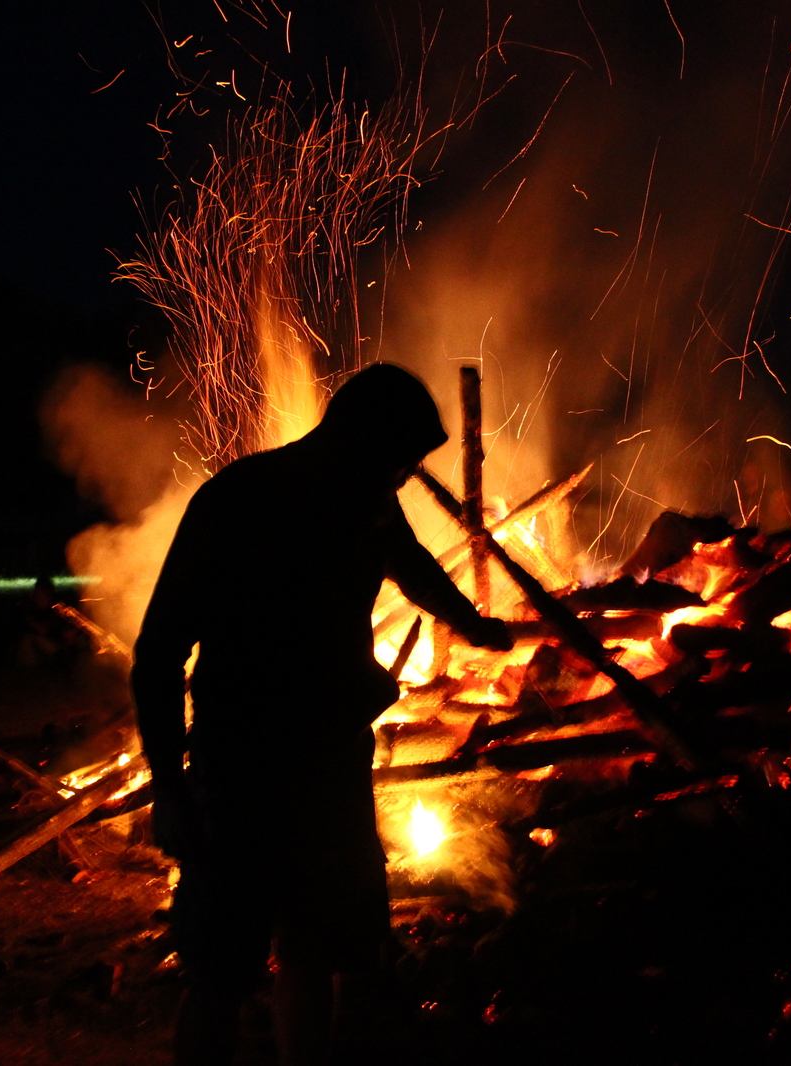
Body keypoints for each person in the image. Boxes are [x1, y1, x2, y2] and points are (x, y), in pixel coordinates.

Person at [132, 364, 514, 1066]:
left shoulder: (366, 500)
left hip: (332, 767)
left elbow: (414, 567)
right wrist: (170, 786)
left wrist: (473, 625)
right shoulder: (239, 499)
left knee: (314, 952)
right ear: (362, 439)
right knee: (221, 970)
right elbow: (158, 653)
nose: (406, 476)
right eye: (401, 459)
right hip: (242, 768)